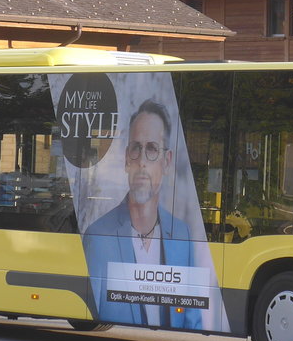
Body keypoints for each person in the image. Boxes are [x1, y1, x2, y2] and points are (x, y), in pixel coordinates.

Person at [82, 99, 204, 328]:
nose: (142, 163)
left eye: (152, 149)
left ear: (166, 162)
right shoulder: (98, 236)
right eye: (136, 148)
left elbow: (192, 315)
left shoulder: (182, 233)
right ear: (127, 159)